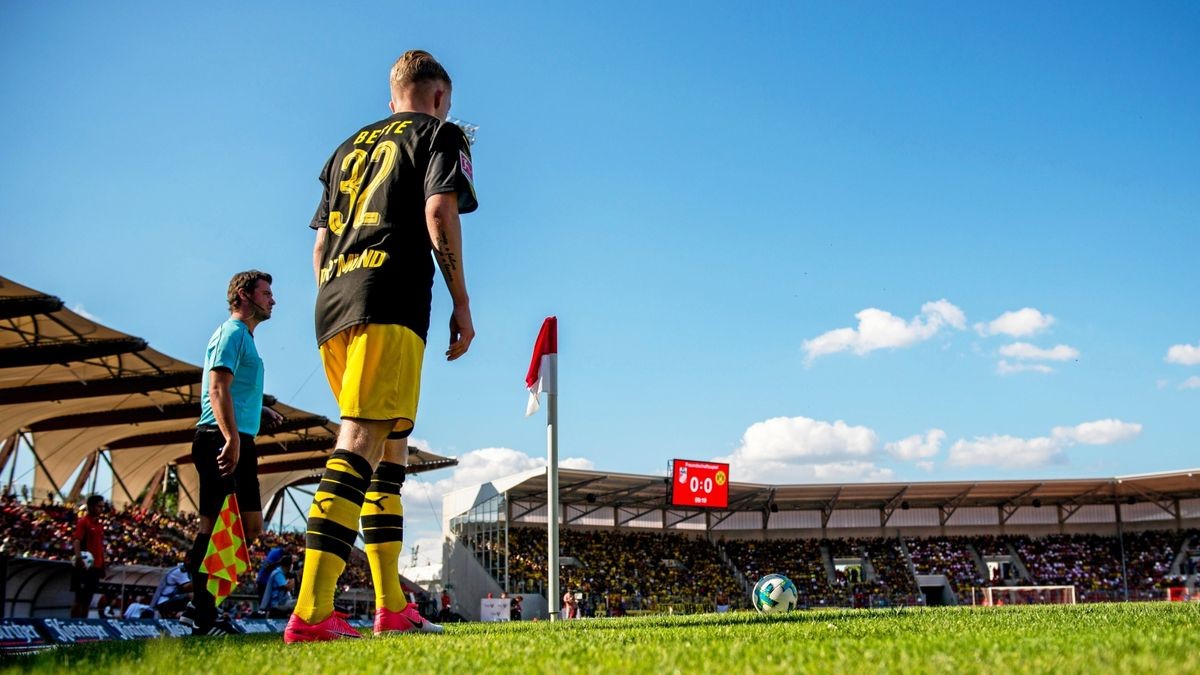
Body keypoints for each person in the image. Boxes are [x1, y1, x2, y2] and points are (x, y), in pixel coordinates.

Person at [285, 49, 477, 644]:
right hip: (388, 296)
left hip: (334, 300)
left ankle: (392, 605)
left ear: (392, 94)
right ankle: (312, 612)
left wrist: (338, 291)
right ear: (439, 95)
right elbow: (439, 208)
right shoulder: (441, 132)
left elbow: (319, 245)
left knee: (389, 451)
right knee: (362, 438)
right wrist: (462, 301)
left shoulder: (345, 148)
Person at [181, 270, 282, 636]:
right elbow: (217, 389)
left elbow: (236, 390)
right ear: (244, 295)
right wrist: (231, 438)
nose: (273, 300)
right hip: (218, 439)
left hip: (240, 436)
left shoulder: (247, 339)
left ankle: (197, 599)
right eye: (266, 293)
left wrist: (260, 410)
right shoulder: (231, 333)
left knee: (250, 527)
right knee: (215, 525)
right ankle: (202, 614)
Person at [71, 495, 106, 618]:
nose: (102, 509)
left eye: (103, 506)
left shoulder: (99, 525)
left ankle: (83, 625)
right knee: (79, 599)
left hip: (96, 567)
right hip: (84, 566)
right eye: (99, 506)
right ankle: (73, 626)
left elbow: (100, 547)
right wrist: (79, 558)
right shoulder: (83, 522)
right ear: (91, 506)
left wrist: (102, 565)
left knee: (88, 599)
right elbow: (76, 541)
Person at [260, 551, 297, 617]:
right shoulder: (278, 573)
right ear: (289, 565)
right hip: (277, 604)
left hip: (282, 601)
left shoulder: (281, 573)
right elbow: (288, 587)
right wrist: (294, 578)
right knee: (298, 603)